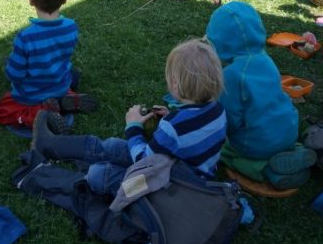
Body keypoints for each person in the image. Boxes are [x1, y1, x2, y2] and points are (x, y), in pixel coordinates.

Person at [30, 38, 227, 196]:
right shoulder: (218, 111)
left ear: (175, 85)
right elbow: (191, 135)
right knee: (114, 146)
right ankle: (51, 144)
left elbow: (143, 161)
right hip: (182, 174)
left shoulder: (172, 127)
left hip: (168, 190)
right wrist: (170, 116)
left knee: (101, 175)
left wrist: (133, 126)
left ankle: (78, 172)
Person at [205, 2, 315, 189]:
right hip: (288, 128)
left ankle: (266, 170)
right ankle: (295, 151)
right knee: (272, 133)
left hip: (256, 142)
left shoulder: (231, 75)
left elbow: (229, 120)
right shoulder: (266, 60)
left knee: (226, 152)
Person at [0, 0, 98, 131]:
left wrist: (9, 66)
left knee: (0, 110)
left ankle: (40, 114)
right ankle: (64, 101)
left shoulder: (26, 37)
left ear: (31, 0)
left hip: (32, 94)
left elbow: (15, 75)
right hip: (60, 84)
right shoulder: (71, 26)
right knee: (74, 76)